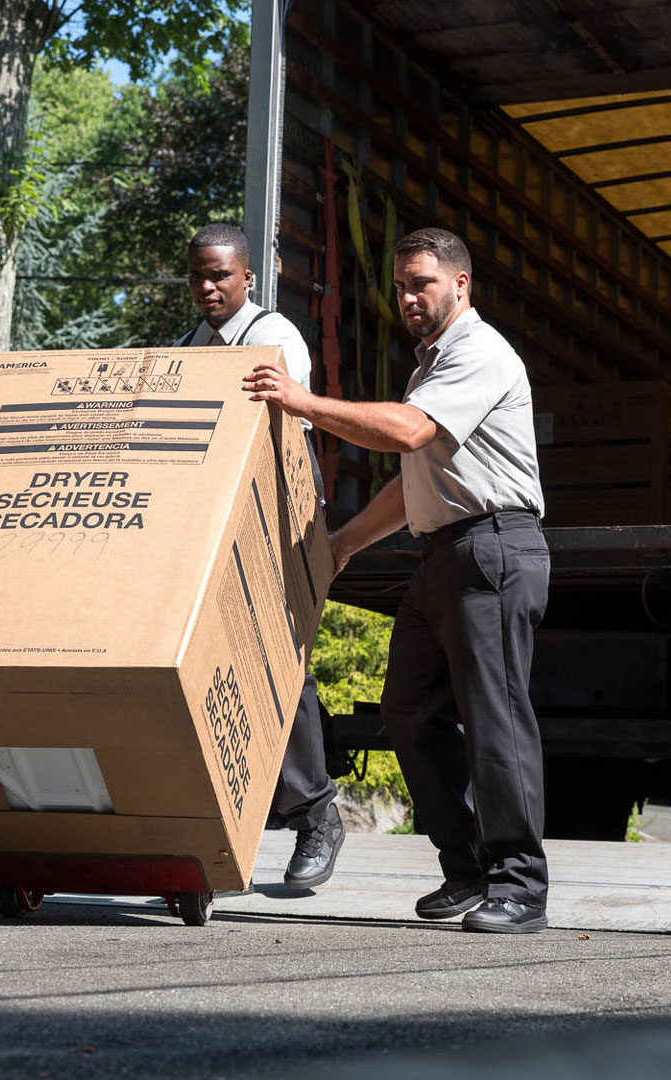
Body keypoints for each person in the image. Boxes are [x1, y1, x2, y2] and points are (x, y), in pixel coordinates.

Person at [244, 227, 550, 934]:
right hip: (444, 553)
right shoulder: (430, 368)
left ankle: (520, 885)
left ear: (461, 283)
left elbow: (408, 433)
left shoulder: (479, 352)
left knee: (496, 718)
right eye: (402, 287)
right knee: (408, 710)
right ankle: (468, 869)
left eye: (422, 284)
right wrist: (344, 543)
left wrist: (302, 402)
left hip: (493, 548)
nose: (409, 298)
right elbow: (416, 479)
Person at [179, 222, 346, 891]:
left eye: (220, 274)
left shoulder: (274, 337)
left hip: (274, 517)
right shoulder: (188, 347)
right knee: (204, 663)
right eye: (198, 275)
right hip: (208, 522)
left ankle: (317, 817)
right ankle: (211, 823)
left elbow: (276, 426)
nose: (208, 287)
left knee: (279, 664)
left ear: (247, 277)